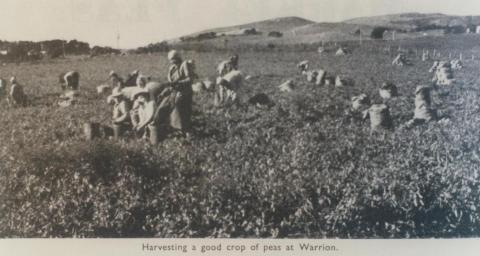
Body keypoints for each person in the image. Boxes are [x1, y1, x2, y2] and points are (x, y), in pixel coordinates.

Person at [154, 50, 195, 136]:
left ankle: (184, 132)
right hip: (173, 91)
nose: (171, 61)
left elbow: (189, 79)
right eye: (170, 60)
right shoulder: (171, 68)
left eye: (173, 59)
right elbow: (170, 84)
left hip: (184, 92)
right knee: (162, 107)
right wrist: (163, 93)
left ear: (177, 58)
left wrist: (177, 83)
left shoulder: (184, 65)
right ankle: (163, 126)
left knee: (179, 109)